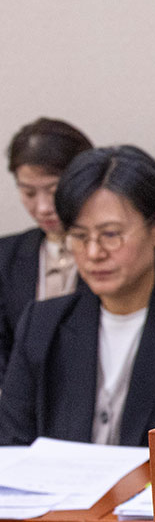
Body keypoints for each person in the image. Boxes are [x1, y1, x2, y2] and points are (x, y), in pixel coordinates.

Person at [0, 146, 155, 446]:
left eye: (110, 234)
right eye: (80, 237)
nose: (94, 253)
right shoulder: (41, 324)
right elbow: (12, 447)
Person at [0, 118, 93, 379]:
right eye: (29, 193)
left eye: (53, 191)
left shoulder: (112, 253)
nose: (42, 208)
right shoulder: (5, 256)